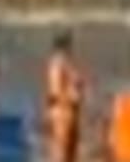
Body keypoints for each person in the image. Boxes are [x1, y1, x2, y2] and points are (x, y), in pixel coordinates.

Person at [44, 33, 83, 162]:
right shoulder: (58, 64)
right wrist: (70, 97)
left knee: (69, 148)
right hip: (63, 110)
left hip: (68, 110)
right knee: (62, 147)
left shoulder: (66, 63)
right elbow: (56, 89)